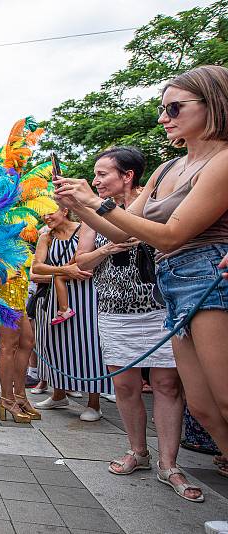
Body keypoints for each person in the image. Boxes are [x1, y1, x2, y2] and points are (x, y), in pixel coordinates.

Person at [55, 64, 228, 484]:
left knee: (222, 401)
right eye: (161, 109)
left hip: (206, 278)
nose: (163, 118)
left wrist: (97, 205)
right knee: (204, 408)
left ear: (214, 103)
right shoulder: (168, 169)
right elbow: (123, 233)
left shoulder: (222, 161)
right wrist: (80, 204)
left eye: (174, 107)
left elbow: (169, 236)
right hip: (174, 285)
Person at [74, 146, 201, 501]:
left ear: (127, 176)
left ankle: (169, 464)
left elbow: (146, 237)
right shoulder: (91, 216)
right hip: (114, 310)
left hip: (158, 308)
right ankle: (138, 452)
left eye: (103, 174)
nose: (96, 181)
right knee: (126, 386)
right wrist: (105, 251)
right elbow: (81, 262)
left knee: (167, 384)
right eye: (95, 175)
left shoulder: (155, 203)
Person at [30, 208, 111, 421]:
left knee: (90, 345)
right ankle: (58, 395)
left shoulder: (85, 229)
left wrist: (58, 271)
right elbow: (36, 268)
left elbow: (89, 260)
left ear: (65, 211)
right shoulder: (46, 237)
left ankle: (94, 403)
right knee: (57, 344)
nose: (47, 217)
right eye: (44, 215)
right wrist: (65, 271)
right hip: (57, 296)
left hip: (87, 294)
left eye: (50, 213)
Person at [0, 257, 38, 423]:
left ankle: (19, 395)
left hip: (18, 293)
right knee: (8, 346)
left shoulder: (17, 234)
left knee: (27, 342)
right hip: (5, 293)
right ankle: (7, 399)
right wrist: (2, 272)